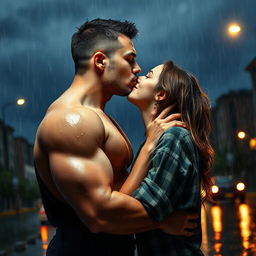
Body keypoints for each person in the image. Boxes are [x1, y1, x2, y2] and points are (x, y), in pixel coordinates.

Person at [34, 19, 197, 256]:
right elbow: (99, 215)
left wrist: (150, 146)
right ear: (100, 61)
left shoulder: (99, 117)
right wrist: (162, 221)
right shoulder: (70, 120)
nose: (138, 68)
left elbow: (117, 194)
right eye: (130, 59)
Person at [120, 61, 214, 255]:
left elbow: (124, 213)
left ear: (160, 94)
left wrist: (158, 221)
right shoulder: (153, 143)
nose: (139, 76)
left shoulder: (174, 138)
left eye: (149, 76)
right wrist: (163, 222)